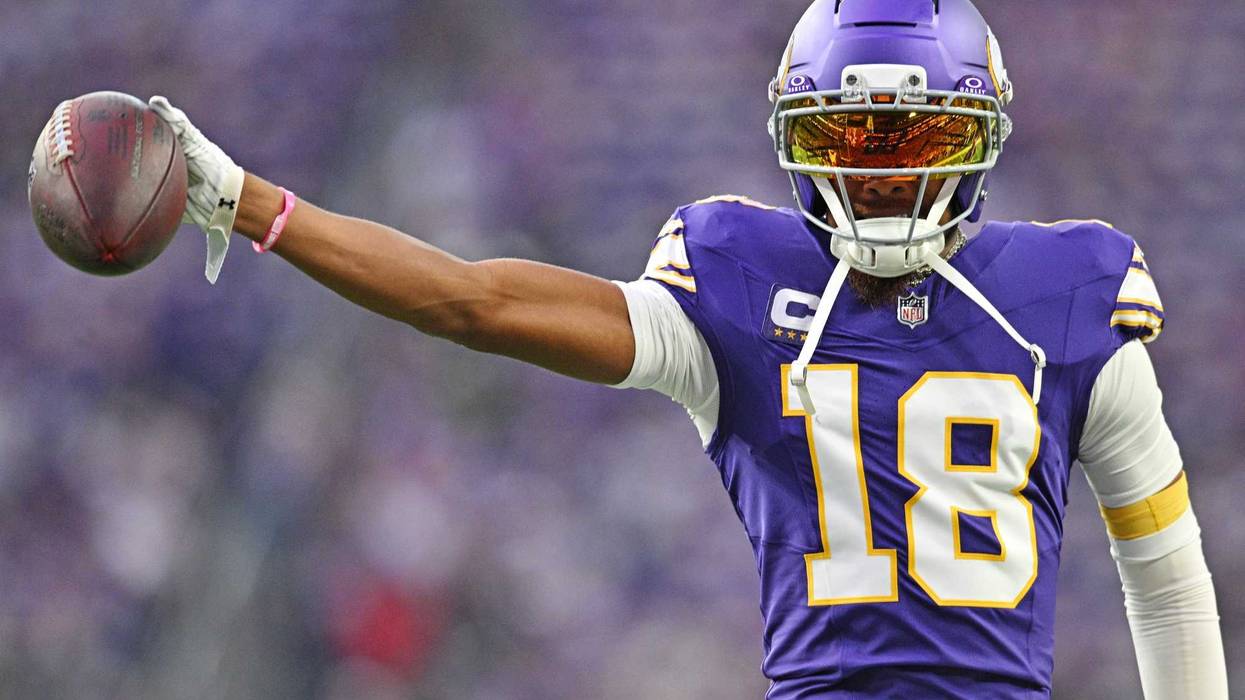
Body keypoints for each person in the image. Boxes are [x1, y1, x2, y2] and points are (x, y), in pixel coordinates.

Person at [149, 0, 1228, 696]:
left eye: (922, 142)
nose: (884, 181)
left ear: (981, 138)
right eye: (848, 143)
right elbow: (470, 302)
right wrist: (257, 205)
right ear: (793, 143)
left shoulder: (1069, 295)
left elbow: (1168, 577)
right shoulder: (735, 282)